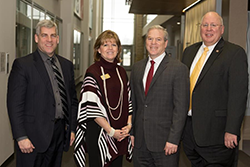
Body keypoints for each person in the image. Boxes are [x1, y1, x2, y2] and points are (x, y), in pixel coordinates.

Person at [7, 20, 78, 167]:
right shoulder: (23, 65)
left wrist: (71, 128)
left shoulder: (66, 65)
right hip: (32, 137)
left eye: (53, 36)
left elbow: (72, 100)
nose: (49, 40)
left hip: (59, 133)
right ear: (36, 38)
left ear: (58, 39)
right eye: (44, 35)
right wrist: (21, 137)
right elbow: (14, 105)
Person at [181, 11, 248, 167]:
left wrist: (232, 129)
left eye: (213, 25)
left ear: (222, 29)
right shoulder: (189, 52)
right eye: (205, 25)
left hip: (218, 134)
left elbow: (238, 95)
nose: (208, 29)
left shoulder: (234, 53)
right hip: (190, 132)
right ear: (200, 28)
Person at [130, 25, 190, 167]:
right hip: (139, 142)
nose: (153, 43)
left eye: (158, 39)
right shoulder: (137, 68)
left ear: (165, 43)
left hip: (165, 143)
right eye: (150, 39)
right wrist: (132, 132)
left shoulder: (178, 69)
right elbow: (133, 102)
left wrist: (174, 139)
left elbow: (181, 108)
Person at [74, 30, 133, 167]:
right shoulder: (92, 72)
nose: (110, 48)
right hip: (100, 132)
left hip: (120, 133)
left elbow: (129, 100)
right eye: (105, 45)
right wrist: (110, 131)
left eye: (114, 44)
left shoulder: (122, 72)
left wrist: (128, 125)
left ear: (118, 49)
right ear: (98, 49)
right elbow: (90, 107)